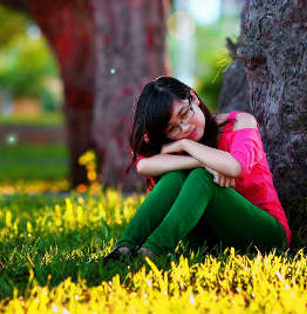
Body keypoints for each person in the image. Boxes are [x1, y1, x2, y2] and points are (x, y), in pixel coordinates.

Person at [103, 76, 291, 263]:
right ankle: (125, 248)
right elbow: (144, 165)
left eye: (184, 114)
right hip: (208, 243)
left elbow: (236, 167)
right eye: (172, 128)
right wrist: (201, 162)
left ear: (194, 98)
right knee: (175, 177)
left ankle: (151, 251)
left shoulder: (239, 123)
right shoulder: (174, 143)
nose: (184, 128)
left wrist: (186, 145)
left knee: (202, 177)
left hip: (265, 235)